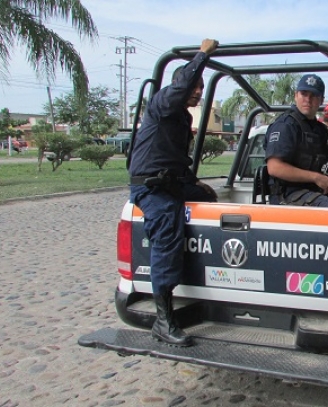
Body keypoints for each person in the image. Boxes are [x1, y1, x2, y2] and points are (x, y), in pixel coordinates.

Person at [128, 38, 219, 347]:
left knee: (210, 200)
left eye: (201, 89)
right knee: (168, 227)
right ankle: (164, 320)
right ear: (181, 83)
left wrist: (195, 182)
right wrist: (203, 55)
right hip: (151, 187)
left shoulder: (181, 118)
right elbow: (179, 89)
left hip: (172, 181)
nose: (197, 92)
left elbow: (177, 159)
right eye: (193, 86)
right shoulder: (163, 102)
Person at [264, 74, 328, 208]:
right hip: (288, 194)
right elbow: (274, 168)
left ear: (321, 100)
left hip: (314, 190)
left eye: (313, 95)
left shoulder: (320, 130)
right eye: (304, 94)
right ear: (296, 96)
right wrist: (316, 178)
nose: (308, 99)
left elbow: (325, 169)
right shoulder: (286, 126)